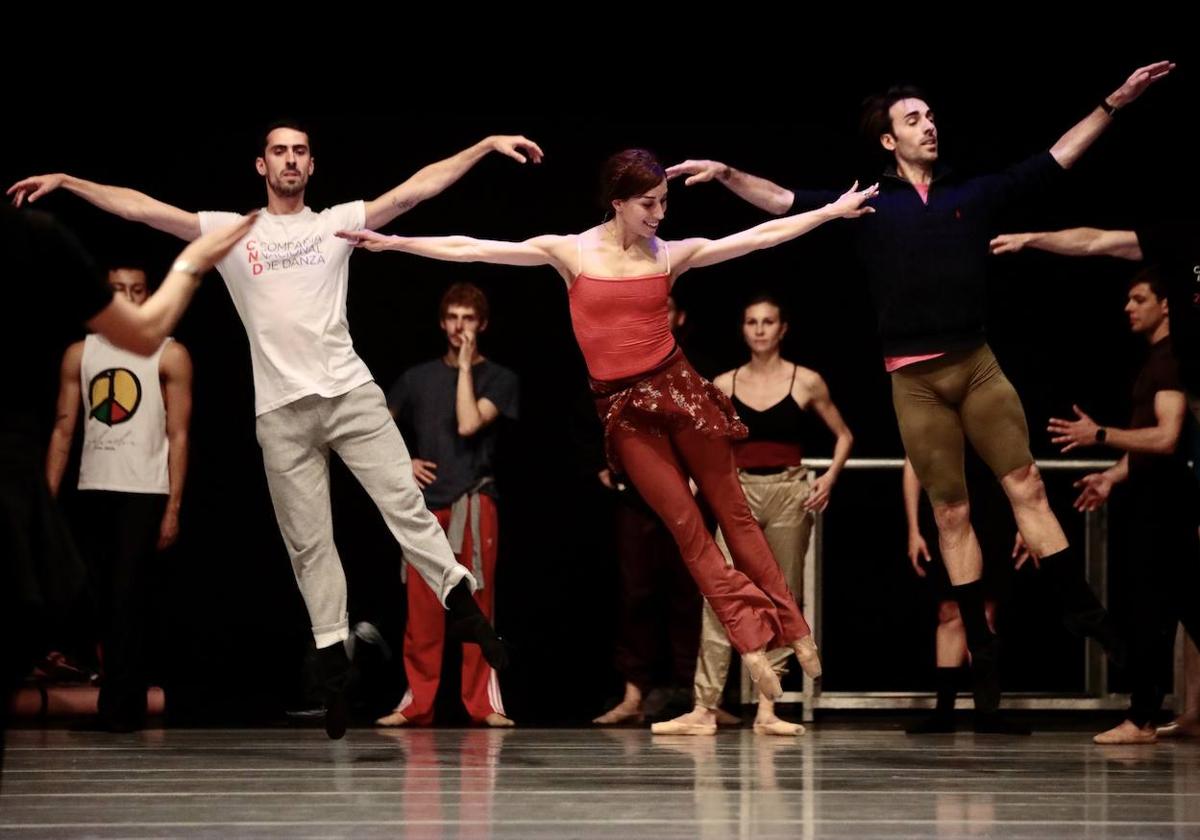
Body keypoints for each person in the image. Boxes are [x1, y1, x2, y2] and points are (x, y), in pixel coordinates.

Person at [8, 122, 543, 738]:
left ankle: (460, 602)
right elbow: (146, 211)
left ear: (311, 165)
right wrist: (72, 182)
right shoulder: (234, 231)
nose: (289, 160)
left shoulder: (333, 222)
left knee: (404, 502)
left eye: (299, 152)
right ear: (261, 166)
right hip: (281, 414)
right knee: (310, 544)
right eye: (278, 152)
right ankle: (334, 670)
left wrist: (478, 149)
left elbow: (411, 193)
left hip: (349, 394)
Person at [338, 148, 877, 702]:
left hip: (680, 391)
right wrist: (396, 243)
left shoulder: (668, 254)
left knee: (734, 513)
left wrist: (830, 212)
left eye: (664, 203)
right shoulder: (571, 253)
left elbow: (757, 238)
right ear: (617, 202)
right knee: (688, 529)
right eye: (648, 204)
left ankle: (794, 627)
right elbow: (475, 249)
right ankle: (752, 639)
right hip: (623, 412)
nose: (660, 214)